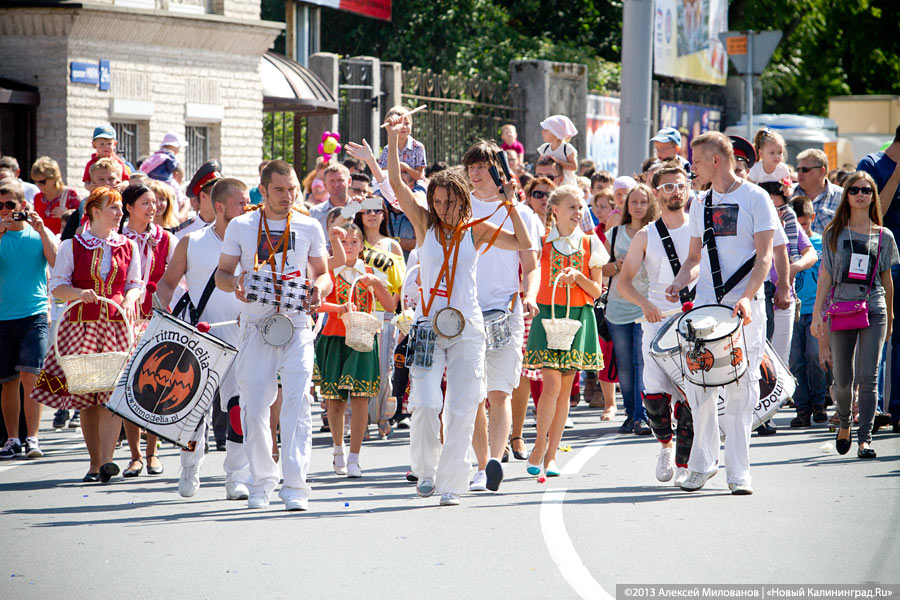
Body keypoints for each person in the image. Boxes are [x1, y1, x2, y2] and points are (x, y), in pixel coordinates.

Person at [384, 113, 533, 506]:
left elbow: (521, 243)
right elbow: (398, 184)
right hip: (429, 325)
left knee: (464, 404)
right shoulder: (423, 224)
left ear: (462, 201)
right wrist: (391, 138)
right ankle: (426, 469)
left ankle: (453, 483)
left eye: (450, 202)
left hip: (468, 326)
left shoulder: (476, 229)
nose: (443, 208)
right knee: (427, 402)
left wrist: (509, 203)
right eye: (437, 201)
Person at [666, 132, 779, 495]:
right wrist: (679, 279)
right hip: (706, 310)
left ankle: (739, 473)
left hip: (745, 310)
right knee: (700, 389)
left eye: (696, 161)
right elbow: (695, 258)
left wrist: (746, 297)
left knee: (742, 390)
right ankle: (702, 465)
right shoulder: (700, 203)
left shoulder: (756, 198)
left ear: (716, 160)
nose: (691, 167)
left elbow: (764, 257)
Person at [216, 159, 331, 511]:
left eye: (292, 189)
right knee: (254, 408)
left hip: (296, 324)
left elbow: (324, 274)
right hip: (256, 325)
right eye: (279, 190)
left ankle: (296, 486)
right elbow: (222, 274)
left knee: (297, 405)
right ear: (262, 190)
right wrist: (235, 283)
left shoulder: (310, 225)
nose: (288, 196)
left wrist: (318, 290)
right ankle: (262, 481)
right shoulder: (241, 225)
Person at [31, 187, 142, 482]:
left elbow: (135, 283)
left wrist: (131, 298)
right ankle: (94, 463)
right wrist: (80, 293)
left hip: (117, 328)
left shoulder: (128, 246)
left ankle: (107, 460)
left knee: (111, 395)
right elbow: (58, 286)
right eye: (113, 208)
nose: (119, 214)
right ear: (94, 211)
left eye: (120, 208)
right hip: (81, 328)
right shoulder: (72, 245)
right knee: (88, 398)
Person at [155, 177, 252, 498]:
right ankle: (189, 467)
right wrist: (163, 311)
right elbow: (167, 283)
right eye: (240, 202)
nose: (247, 206)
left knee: (238, 410)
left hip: (242, 338)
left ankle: (235, 476)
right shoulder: (192, 241)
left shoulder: (254, 242)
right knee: (192, 411)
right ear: (220, 206)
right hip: (200, 338)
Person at [463, 140, 542, 493]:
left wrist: (530, 295)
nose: (476, 172)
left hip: (505, 311)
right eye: (472, 166)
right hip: (466, 311)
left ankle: (494, 460)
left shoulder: (522, 213)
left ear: (499, 171)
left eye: (484, 166)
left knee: (499, 393)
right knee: (474, 395)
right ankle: (481, 465)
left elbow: (531, 264)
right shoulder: (459, 210)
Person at [616, 163, 695, 484]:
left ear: (687, 189)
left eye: (680, 186)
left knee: (693, 395)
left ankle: (685, 465)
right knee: (654, 396)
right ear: (656, 193)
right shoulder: (647, 235)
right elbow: (624, 282)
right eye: (667, 187)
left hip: (693, 322)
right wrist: (645, 304)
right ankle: (664, 445)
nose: (674, 192)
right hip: (656, 322)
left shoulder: (700, 227)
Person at [812, 172, 898, 459]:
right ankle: (845, 423)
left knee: (868, 377)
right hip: (841, 307)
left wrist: (892, 315)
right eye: (854, 190)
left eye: (866, 190)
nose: (860, 194)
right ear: (846, 195)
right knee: (844, 379)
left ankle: (865, 439)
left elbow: (887, 280)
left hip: (874, 306)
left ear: (873, 196)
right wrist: (817, 316)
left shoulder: (883, 235)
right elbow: (825, 277)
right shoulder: (833, 233)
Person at [523, 184, 606, 477]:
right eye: (572, 207)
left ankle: (551, 455)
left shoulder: (590, 244)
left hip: (579, 319)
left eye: (581, 207)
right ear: (555, 210)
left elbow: (596, 291)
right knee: (552, 386)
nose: (578, 212)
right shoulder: (542, 242)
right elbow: (530, 275)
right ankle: (538, 446)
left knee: (564, 390)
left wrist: (579, 277)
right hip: (547, 318)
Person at [316, 223, 395, 478]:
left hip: (362, 339)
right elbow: (315, 304)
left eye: (354, 242)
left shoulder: (369, 272)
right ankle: (338, 450)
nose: (349, 247)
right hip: (334, 338)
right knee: (335, 401)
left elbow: (389, 305)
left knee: (361, 400)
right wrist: (337, 308)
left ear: (362, 247)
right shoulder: (328, 270)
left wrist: (376, 284)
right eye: (344, 242)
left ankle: (354, 457)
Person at [119, 184, 178, 477]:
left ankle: (153, 452)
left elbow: (179, 280)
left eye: (155, 203)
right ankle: (135, 455)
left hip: (158, 318)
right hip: (126, 320)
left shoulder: (166, 239)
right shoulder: (117, 240)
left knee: (156, 384)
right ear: (128, 207)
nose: (153, 207)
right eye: (145, 202)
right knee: (129, 384)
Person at [0, 179, 57, 460]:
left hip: (33, 314)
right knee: (8, 381)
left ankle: (32, 438)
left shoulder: (37, 234)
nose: (5, 211)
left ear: (23, 205)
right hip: (2, 317)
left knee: (31, 377)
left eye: (10, 205)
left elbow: (57, 262)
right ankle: (12, 438)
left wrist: (42, 229)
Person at [603, 183, 660, 435]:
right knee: (624, 364)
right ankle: (630, 413)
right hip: (617, 307)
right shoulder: (614, 234)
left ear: (650, 205)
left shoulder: (656, 233)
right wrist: (616, 266)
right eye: (633, 202)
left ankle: (641, 415)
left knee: (641, 362)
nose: (638, 206)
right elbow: (599, 270)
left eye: (643, 202)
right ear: (626, 205)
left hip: (644, 306)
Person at [857, 126, 900, 432]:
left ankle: (896, 409)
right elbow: (873, 212)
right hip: (883, 260)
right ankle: (876, 408)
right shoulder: (871, 165)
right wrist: (898, 174)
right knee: (881, 332)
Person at [353, 196, 406, 438]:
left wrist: (391, 309)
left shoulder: (392, 246)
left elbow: (400, 285)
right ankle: (360, 421)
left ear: (384, 215)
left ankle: (382, 416)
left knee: (384, 369)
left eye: (377, 210)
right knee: (360, 369)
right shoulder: (353, 241)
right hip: (358, 313)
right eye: (366, 211)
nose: (372, 215)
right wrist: (351, 206)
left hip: (384, 314)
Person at [789, 196, 828, 427]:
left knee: (816, 357)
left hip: (816, 310)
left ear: (812, 218)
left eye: (804, 224)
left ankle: (819, 401)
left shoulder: (822, 243)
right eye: (796, 225)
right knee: (795, 361)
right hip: (793, 309)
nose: (800, 229)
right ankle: (801, 407)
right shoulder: (785, 243)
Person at [793, 148, 843, 235]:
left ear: (821, 171)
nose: (800, 173)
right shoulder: (788, 194)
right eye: (798, 169)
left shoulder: (842, 196)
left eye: (805, 170)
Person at [172, 160, 223, 239]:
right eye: (217, 194)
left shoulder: (228, 227)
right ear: (203, 196)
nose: (222, 198)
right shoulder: (184, 231)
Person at [31, 156, 81, 236]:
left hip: (63, 243)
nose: (38, 185)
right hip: (44, 242)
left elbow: (81, 222)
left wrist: (67, 215)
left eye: (42, 182)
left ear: (54, 178)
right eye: (36, 182)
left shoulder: (70, 195)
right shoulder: (38, 198)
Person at [377, 105, 427, 181]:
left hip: (415, 185)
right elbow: (383, 174)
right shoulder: (387, 149)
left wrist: (405, 167)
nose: (403, 127)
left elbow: (419, 176)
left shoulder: (418, 147)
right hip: (392, 186)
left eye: (407, 123)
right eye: (399, 124)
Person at [308, 163, 351, 234]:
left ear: (349, 181)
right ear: (324, 184)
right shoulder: (315, 213)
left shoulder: (360, 209)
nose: (336, 185)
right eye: (332, 181)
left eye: (340, 180)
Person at [536, 115, 579, 187]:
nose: (542, 132)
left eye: (546, 130)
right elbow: (538, 166)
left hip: (566, 186)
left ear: (556, 134)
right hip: (548, 185)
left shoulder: (567, 148)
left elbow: (574, 167)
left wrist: (557, 161)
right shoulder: (544, 148)